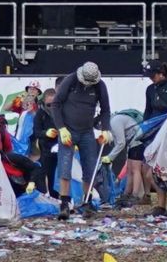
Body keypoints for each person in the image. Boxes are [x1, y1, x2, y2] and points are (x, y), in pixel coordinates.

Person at [51, 62, 113, 217]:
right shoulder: (71, 80)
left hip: (87, 131)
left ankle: (87, 202)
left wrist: (106, 129)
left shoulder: (100, 86)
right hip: (68, 131)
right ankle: (64, 203)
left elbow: (105, 109)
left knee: (89, 168)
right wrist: (61, 128)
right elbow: (56, 104)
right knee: (65, 166)